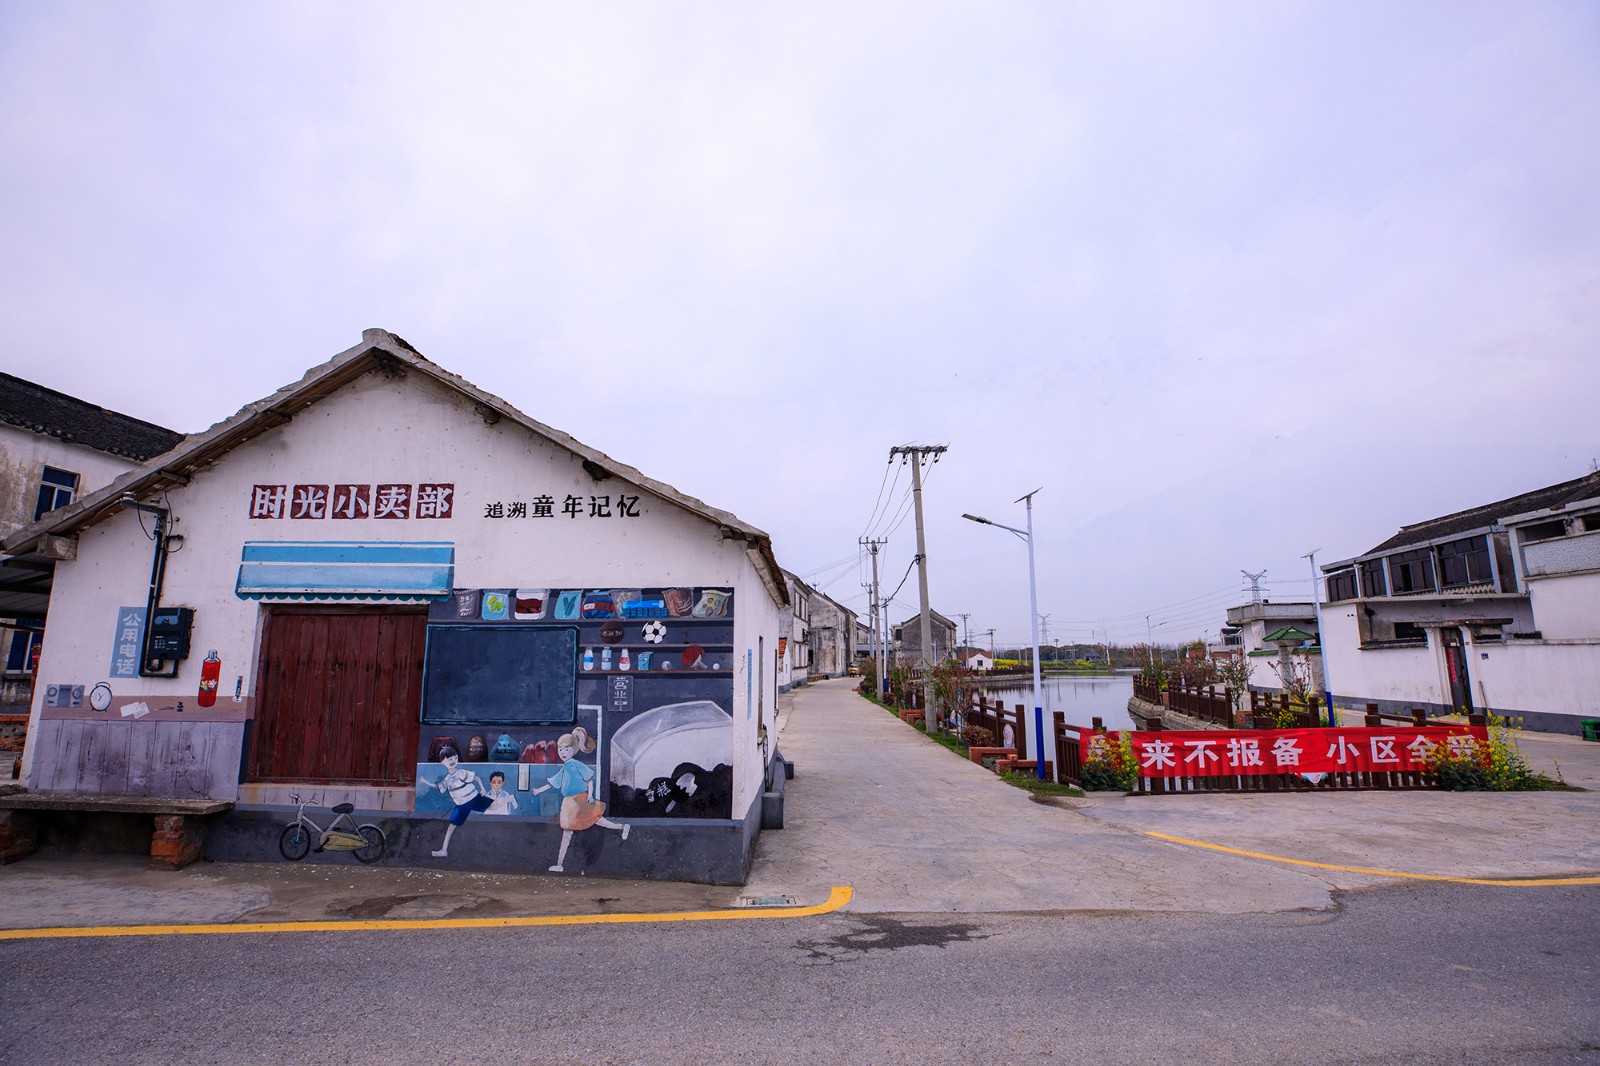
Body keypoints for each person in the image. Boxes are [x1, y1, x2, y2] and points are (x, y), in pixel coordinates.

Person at [529, 726, 630, 872]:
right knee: (568, 832)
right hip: (569, 803)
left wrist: (590, 796)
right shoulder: (564, 768)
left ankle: (621, 827)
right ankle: (559, 864)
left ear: (573, 750)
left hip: (580, 800)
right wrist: (538, 790)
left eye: (566, 749)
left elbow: (589, 779)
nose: (563, 753)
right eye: (560, 749)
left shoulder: (576, 765)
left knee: (597, 820)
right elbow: (552, 783)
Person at [424, 746, 491, 857]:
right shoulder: (447, 779)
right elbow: (438, 787)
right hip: (462, 805)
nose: (452, 761)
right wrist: (426, 782)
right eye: (449, 759)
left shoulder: (462, 773)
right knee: (452, 826)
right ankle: (444, 850)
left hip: (474, 798)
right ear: (442, 763)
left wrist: (483, 789)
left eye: (454, 758)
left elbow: (477, 778)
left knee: (493, 807)